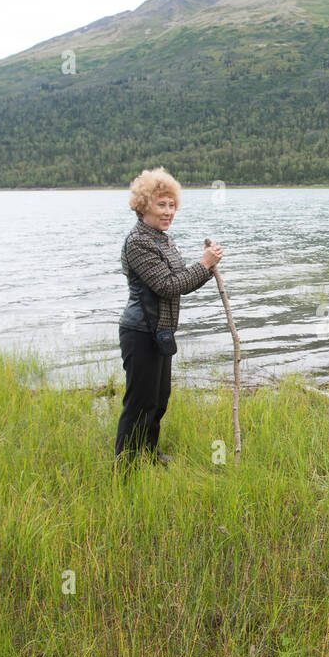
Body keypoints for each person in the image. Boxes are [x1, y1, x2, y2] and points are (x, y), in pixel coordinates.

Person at [114, 167, 223, 464]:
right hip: (140, 332)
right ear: (143, 205)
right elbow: (167, 285)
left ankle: (149, 454)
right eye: (161, 204)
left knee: (159, 400)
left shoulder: (163, 239)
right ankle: (125, 467)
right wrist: (204, 263)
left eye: (171, 204)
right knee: (139, 403)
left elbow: (180, 282)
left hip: (160, 333)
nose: (168, 211)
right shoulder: (138, 241)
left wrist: (207, 267)